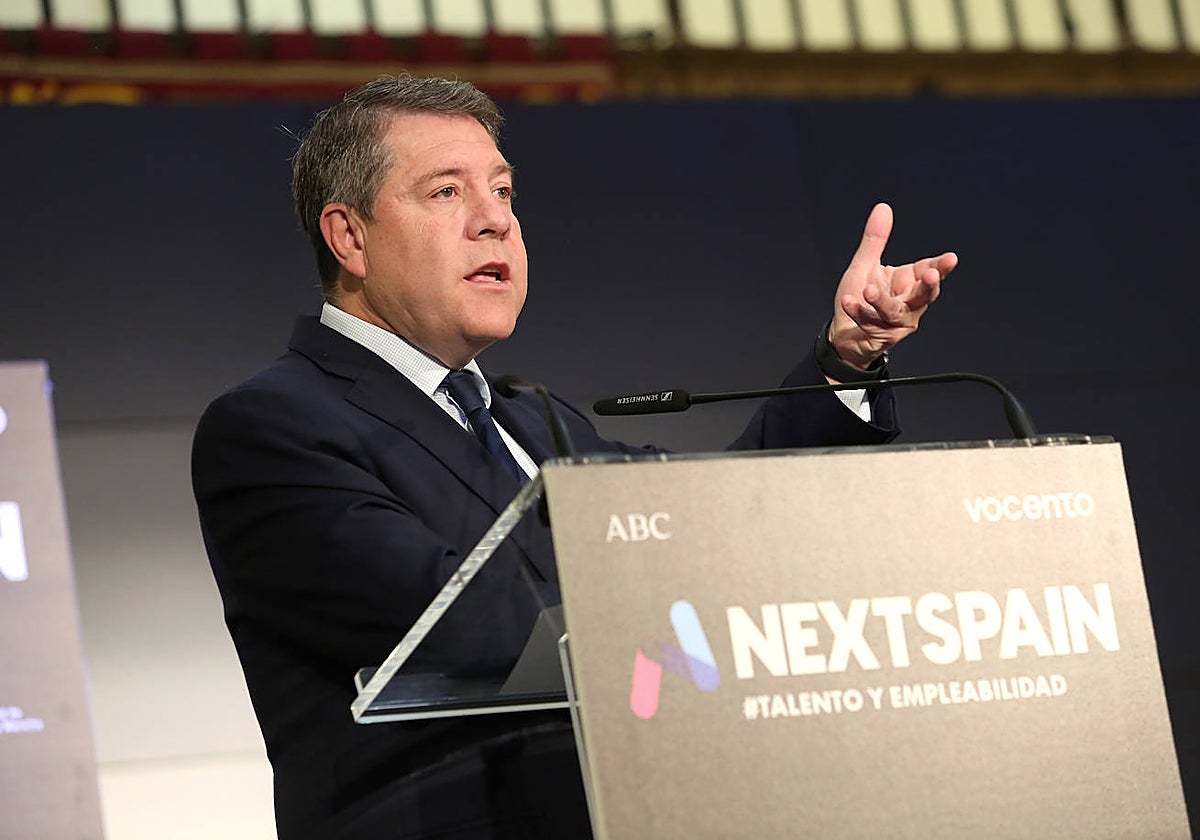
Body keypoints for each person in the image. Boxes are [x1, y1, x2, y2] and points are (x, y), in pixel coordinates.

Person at [191, 74, 956, 839]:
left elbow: (714, 514)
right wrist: (680, 607)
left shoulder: (533, 420)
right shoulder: (273, 426)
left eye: (502, 191)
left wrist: (845, 363)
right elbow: (456, 622)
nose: (496, 220)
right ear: (350, 237)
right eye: (447, 193)